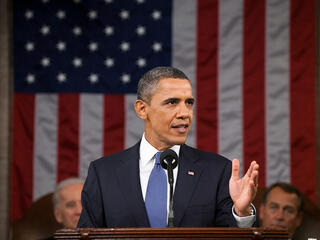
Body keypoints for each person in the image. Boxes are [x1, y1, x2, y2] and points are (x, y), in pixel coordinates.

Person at [78, 66, 259, 228]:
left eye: (189, 103)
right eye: (172, 102)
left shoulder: (217, 170)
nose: (184, 113)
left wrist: (241, 214)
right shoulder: (103, 173)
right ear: (142, 109)